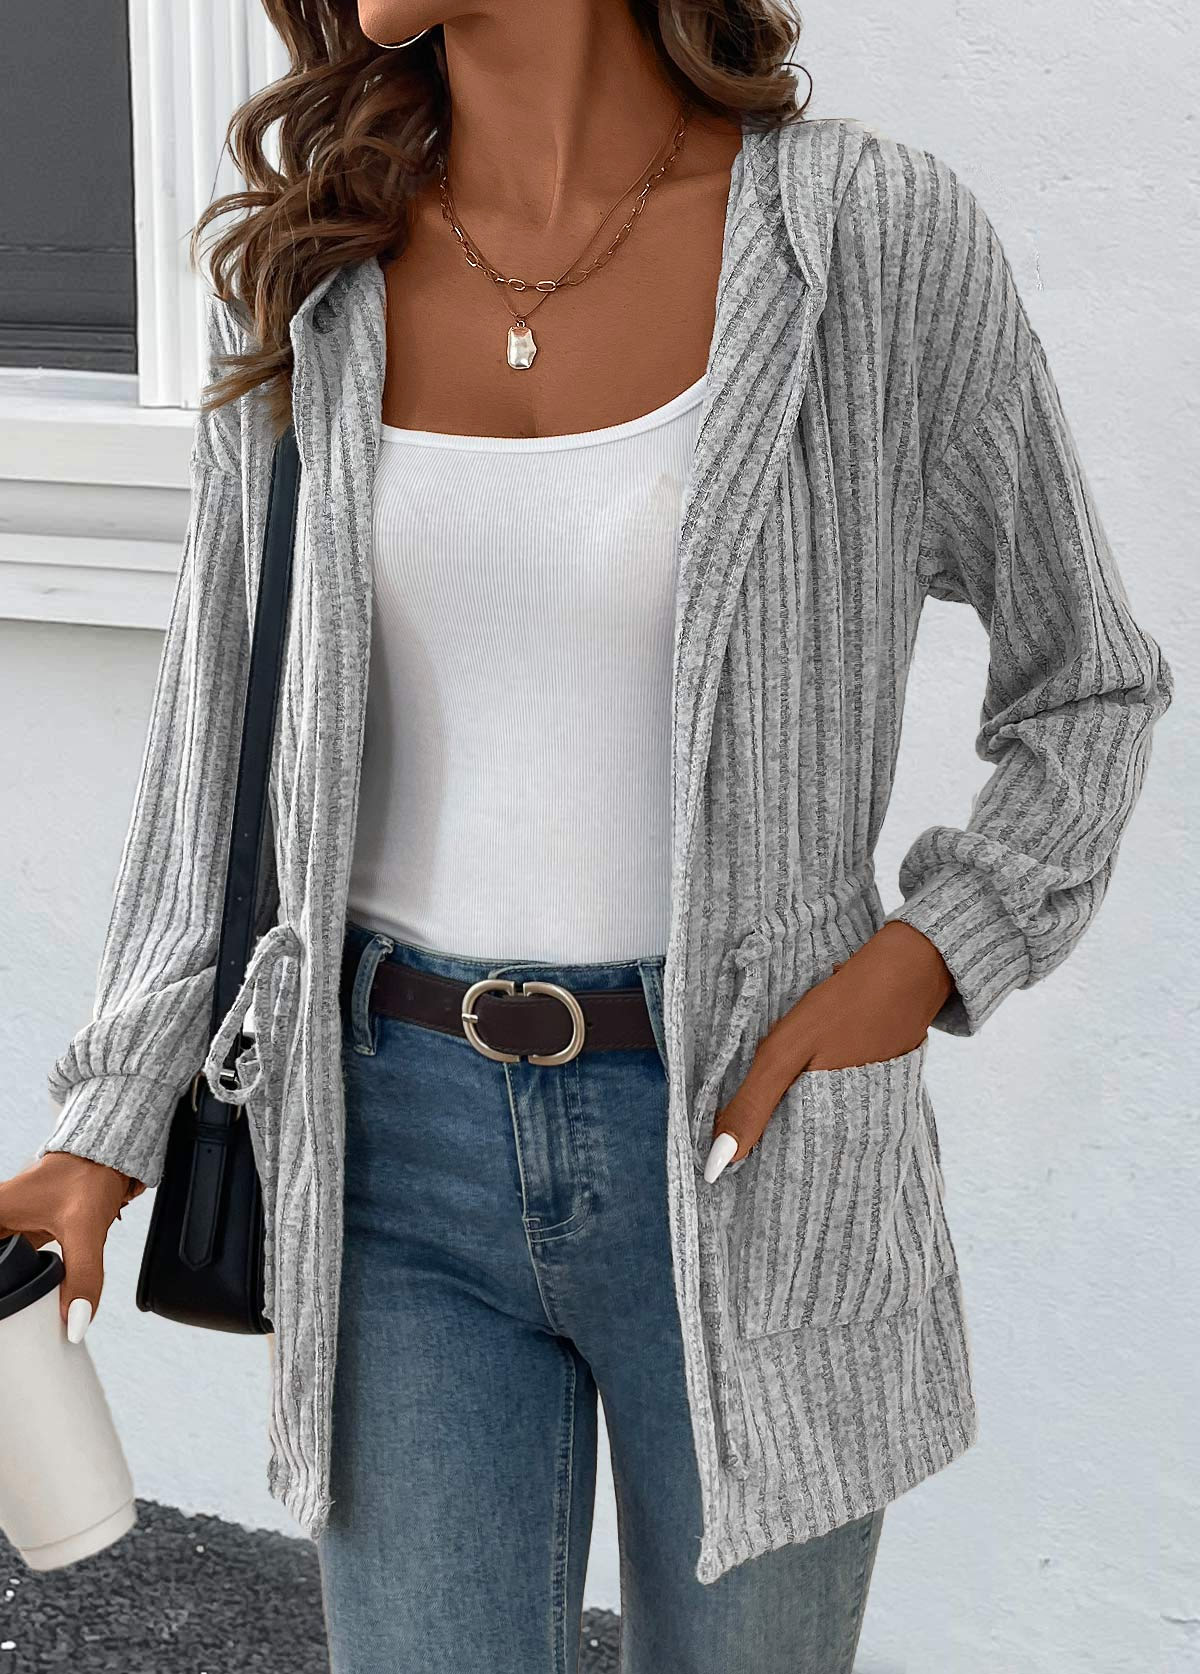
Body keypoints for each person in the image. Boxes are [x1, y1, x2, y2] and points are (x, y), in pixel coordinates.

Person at [0, 2, 1174, 1669]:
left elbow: (1090, 684)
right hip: (389, 1146)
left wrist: (923, 960)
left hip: (753, 1142)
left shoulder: (868, 240)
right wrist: (109, 1115)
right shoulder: (312, 269)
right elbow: (213, 749)